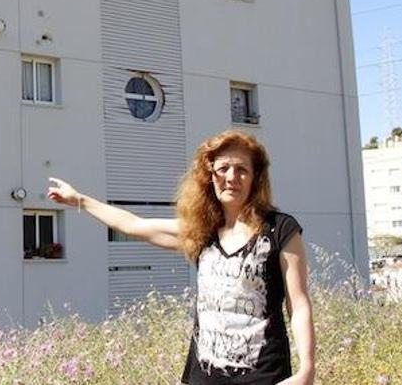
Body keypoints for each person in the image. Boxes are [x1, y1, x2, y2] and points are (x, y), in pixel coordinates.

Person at [47, 130, 314, 385]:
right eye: (223, 169)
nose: (232, 177)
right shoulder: (201, 232)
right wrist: (78, 200)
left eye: (242, 169)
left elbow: (298, 304)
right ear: (210, 176)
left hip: (264, 375)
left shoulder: (281, 230)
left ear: (255, 178)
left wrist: (307, 370)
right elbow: (133, 225)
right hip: (205, 376)